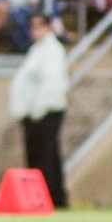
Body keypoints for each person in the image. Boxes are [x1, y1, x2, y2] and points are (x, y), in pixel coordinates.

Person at [9, 12, 69, 208]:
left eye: (39, 26)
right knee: (36, 158)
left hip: (45, 112)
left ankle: (53, 199)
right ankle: (37, 200)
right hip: (33, 113)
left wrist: (38, 110)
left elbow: (51, 84)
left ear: (48, 28)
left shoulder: (53, 50)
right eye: (32, 27)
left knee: (47, 158)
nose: (35, 31)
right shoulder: (37, 50)